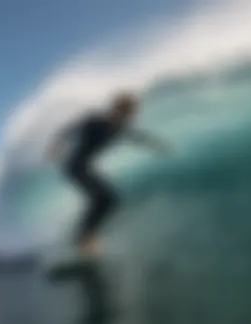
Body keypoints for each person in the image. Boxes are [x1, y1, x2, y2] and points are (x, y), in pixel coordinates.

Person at [47, 93, 170, 257]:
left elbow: (137, 137)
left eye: (130, 114)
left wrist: (157, 145)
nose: (129, 116)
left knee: (112, 201)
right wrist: (57, 144)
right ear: (117, 109)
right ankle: (84, 237)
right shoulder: (96, 121)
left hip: (85, 167)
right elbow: (70, 129)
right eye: (127, 112)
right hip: (74, 165)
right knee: (103, 199)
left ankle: (83, 236)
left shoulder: (120, 128)